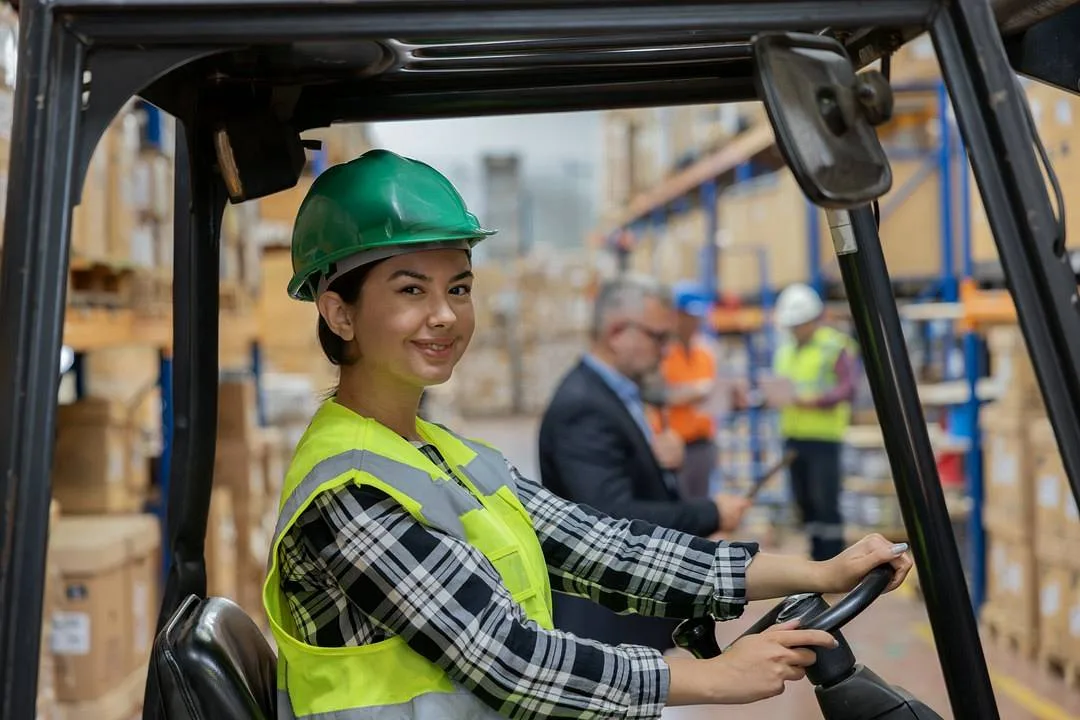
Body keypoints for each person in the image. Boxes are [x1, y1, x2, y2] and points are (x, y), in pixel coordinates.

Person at [263, 149, 912, 720]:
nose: (445, 315)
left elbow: (604, 549)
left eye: (458, 288)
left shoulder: (444, 455)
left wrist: (819, 570)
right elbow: (509, 661)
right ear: (340, 312)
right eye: (411, 290)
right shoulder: (349, 492)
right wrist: (711, 678)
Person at [771, 282, 859, 563]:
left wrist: (816, 400)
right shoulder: (785, 350)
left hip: (824, 438)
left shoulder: (834, 345)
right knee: (805, 503)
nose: (795, 330)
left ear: (813, 319)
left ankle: (833, 560)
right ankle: (816, 559)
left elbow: (848, 388)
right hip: (793, 437)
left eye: (799, 324)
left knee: (825, 503)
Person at [658, 280, 721, 500]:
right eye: (688, 316)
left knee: (701, 505)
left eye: (696, 317)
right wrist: (695, 392)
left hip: (703, 444)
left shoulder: (705, 353)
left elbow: (714, 393)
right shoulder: (661, 353)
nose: (693, 323)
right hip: (673, 447)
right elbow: (658, 394)